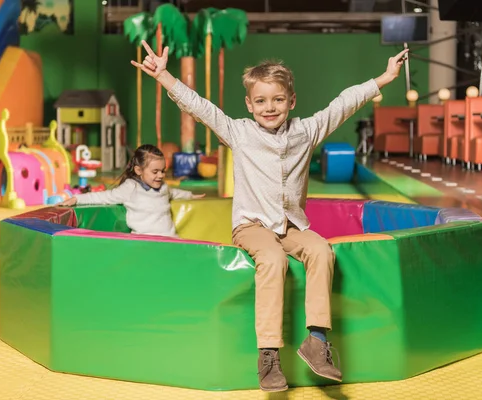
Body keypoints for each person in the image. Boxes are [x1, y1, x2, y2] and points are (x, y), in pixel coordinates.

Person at [132, 41, 407, 392]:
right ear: (249, 105)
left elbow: (343, 104)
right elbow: (199, 107)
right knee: (273, 259)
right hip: (252, 227)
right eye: (260, 101)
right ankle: (268, 354)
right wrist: (165, 76)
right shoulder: (240, 133)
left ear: (291, 101)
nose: (269, 107)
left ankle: (317, 341)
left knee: (322, 250)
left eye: (278, 99)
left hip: (293, 226)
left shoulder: (305, 132)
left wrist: (382, 79)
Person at [58, 144, 205, 238]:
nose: (160, 175)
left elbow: (175, 193)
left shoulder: (164, 187)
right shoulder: (131, 188)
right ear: (139, 170)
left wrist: (191, 195)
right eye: (155, 172)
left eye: (162, 171)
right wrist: (77, 199)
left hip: (170, 239)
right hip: (144, 241)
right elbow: (104, 196)